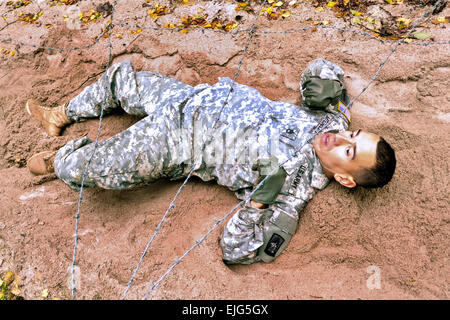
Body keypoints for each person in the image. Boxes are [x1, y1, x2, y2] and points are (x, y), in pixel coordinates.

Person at [25, 59, 396, 264]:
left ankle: (61, 157)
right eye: (355, 135)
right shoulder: (334, 121)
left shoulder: (291, 196)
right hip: (198, 97)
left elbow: (236, 250)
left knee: (80, 170)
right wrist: (327, 82)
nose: (343, 139)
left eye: (349, 151)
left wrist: (258, 202)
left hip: (176, 144)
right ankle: (62, 113)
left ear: (346, 179)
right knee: (121, 79)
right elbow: (320, 70)